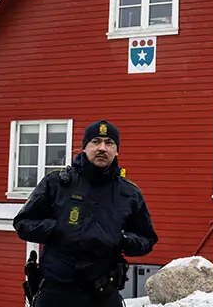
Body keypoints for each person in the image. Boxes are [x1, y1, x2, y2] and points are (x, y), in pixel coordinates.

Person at [14, 120, 159, 307]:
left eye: (109, 143)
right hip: (56, 292)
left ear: (117, 151)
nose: (102, 148)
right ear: (84, 147)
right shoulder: (57, 183)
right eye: (96, 141)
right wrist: (57, 228)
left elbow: (147, 239)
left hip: (102, 294)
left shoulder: (129, 194)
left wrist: (122, 240)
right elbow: (23, 223)